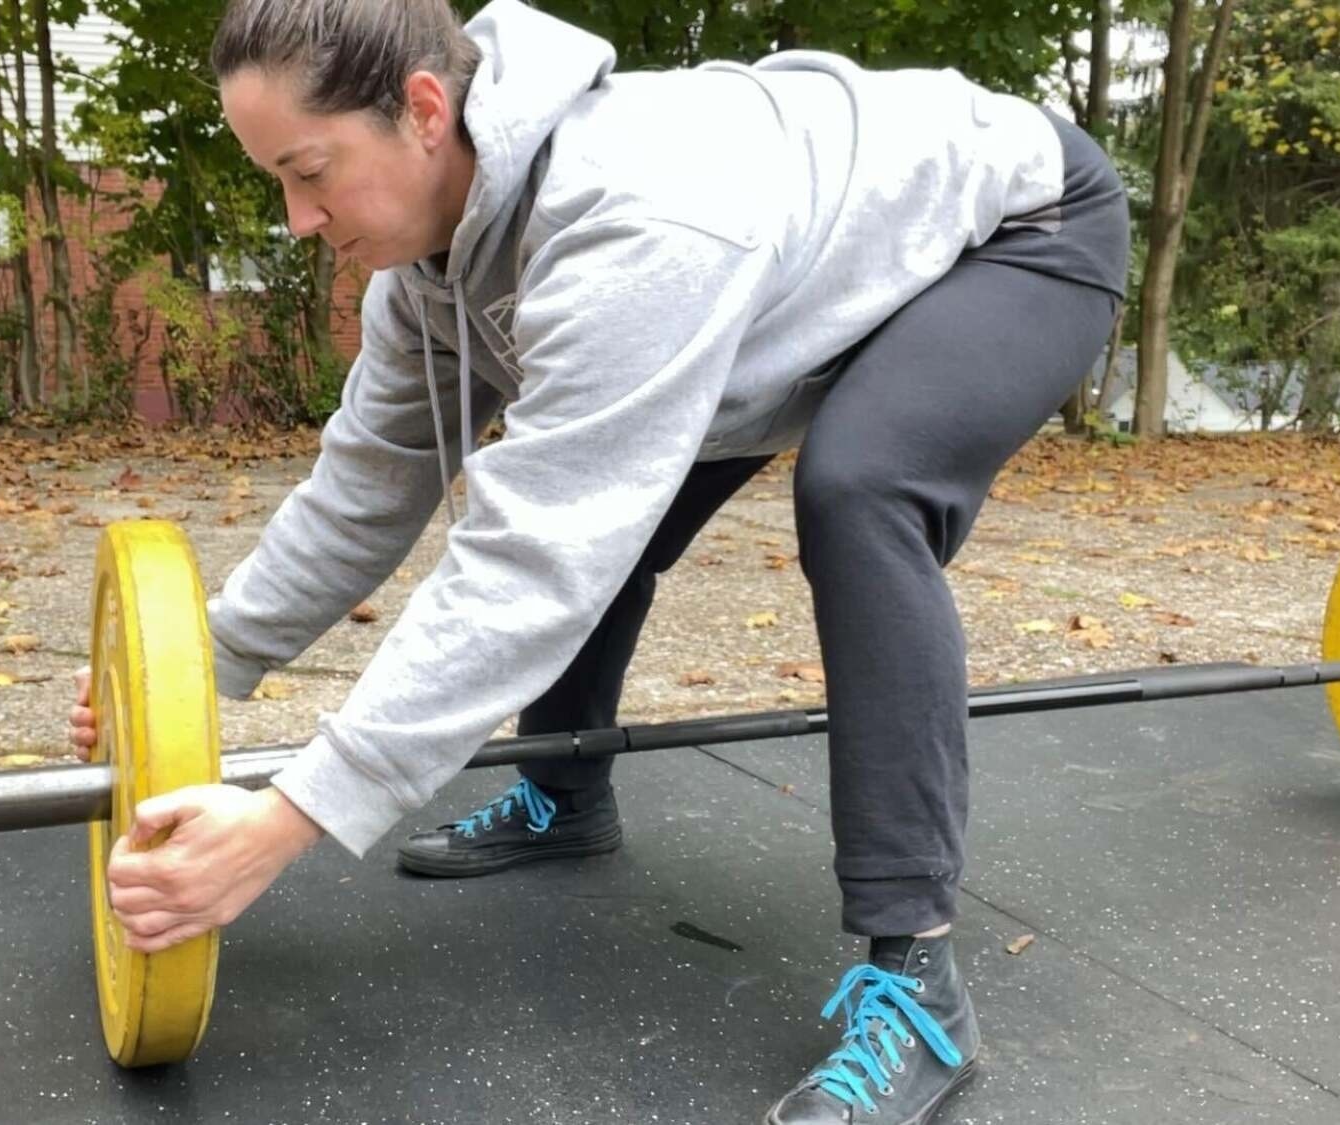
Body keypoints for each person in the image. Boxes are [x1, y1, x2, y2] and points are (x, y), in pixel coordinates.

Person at [69, 0, 1127, 1118]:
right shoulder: (423, 273)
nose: (295, 218)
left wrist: (289, 818)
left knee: (857, 488)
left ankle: (918, 984)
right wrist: (196, 672)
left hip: (1015, 229)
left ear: (423, 110)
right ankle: (561, 797)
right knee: (600, 482)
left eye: (309, 171)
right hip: (794, 273)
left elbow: (534, 560)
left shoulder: (636, 219)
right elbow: (366, 486)